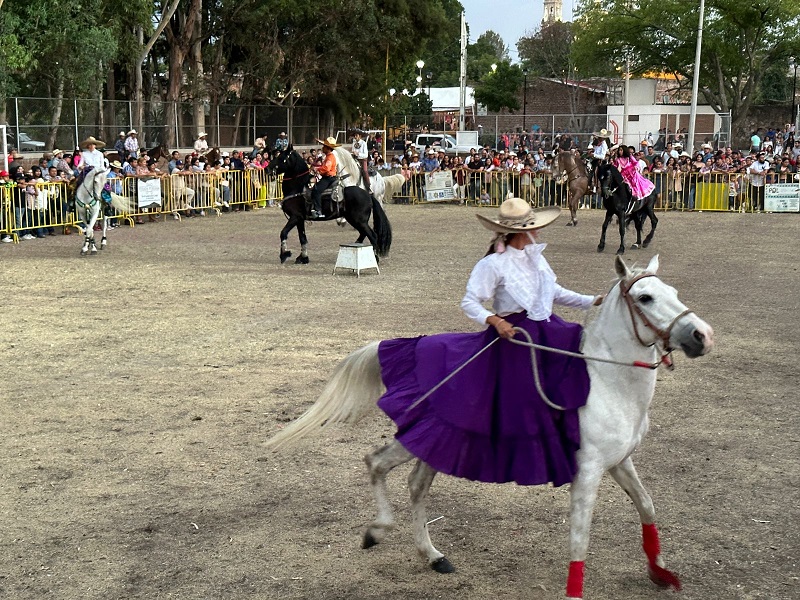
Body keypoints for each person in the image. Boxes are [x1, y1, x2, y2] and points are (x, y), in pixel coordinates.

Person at [376, 198, 603, 487]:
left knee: (575, 347)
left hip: (545, 328)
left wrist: (591, 301)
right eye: (535, 228)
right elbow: (470, 302)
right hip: (514, 336)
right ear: (522, 232)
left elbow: (553, 291)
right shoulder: (493, 264)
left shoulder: (535, 257)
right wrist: (495, 320)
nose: (539, 232)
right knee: (522, 398)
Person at [614, 145, 656, 210]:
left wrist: (636, 167)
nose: (620, 152)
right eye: (619, 150)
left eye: (621, 150)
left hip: (632, 174)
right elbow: (618, 168)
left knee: (634, 184)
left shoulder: (629, 157)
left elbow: (636, 163)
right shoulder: (618, 160)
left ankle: (635, 195)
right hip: (624, 175)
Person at [310, 136, 339, 218]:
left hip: (328, 178)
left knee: (316, 190)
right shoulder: (329, 156)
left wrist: (317, 169)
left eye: (324, 146)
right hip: (328, 177)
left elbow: (326, 168)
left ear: (328, 148)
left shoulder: (330, 157)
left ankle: (318, 211)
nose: (322, 148)